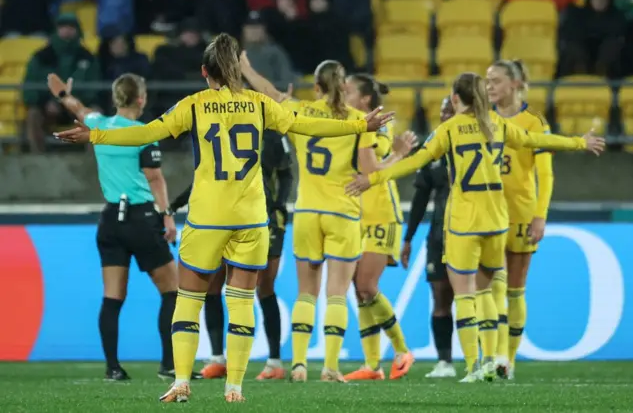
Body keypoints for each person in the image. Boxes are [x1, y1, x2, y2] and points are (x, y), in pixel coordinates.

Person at [54, 33, 392, 402]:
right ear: (236, 71)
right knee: (242, 300)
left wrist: (96, 134)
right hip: (250, 219)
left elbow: (147, 133)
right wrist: (360, 125)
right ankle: (235, 387)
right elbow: (305, 125)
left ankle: (182, 380)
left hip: (208, 218)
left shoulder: (196, 105)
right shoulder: (260, 105)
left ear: (204, 71)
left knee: (189, 299)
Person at [346, 72, 605, 382]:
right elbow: (537, 141)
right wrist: (580, 142)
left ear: (456, 99)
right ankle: (496, 358)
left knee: (466, 294)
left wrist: (372, 179)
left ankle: (472, 365)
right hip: (497, 220)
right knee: (491, 291)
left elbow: (415, 163)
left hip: (464, 221)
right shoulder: (498, 125)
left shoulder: (449, 129)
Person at [240, 56, 414, 383]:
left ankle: (299, 364)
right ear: (343, 85)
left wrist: (246, 68)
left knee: (306, 292)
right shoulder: (358, 120)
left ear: (316, 87)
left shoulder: (301, 111)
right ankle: (331, 366)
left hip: (306, 211)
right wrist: (398, 154)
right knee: (336, 292)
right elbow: (371, 172)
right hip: (343, 212)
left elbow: (270, 93)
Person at [46, 72, 180, 381]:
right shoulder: (144, 132)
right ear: (141, 99)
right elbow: (154, 178)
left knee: (113, 296)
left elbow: (79, 111)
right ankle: (169, 365)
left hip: (110, 220)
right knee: (173, 291)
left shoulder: (98, 125)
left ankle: (113, 367)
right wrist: (168, 216)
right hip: (142, 218)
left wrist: (64, 95)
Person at [171, 126, 294, 381]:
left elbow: (287, 175)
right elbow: (204, 178)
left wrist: (278, 205)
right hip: (221, 217)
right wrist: (175, 204)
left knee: (263, 287)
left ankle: (274, 361)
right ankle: (217, 358)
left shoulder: (271, 133)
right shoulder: (222, 127)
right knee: (213, 284)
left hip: (264, 219)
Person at [340, 74, 416, 381]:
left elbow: (373, 168)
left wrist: (398, 155)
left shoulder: (379, 127)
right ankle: (372, 366)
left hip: (381, 213)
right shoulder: (352, 123)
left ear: (365, 99)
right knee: (360, 291)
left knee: (366, 286)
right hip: (356, 213)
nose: (341, 95)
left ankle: (401, 349)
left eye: (347, 91)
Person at [486, 60, 554, 380]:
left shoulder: (534, 122)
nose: (489, 87)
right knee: (491, 289)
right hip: (486, 213)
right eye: (487, 81)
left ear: (514, 84)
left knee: (514, 290)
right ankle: (491, 355)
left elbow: (545, 174)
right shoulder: (481, 120)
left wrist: (540, 215)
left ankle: (507, 361)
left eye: (496, 81)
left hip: (521, 214)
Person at [401, 97, 456, 379]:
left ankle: (488, 358)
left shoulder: (478, 144)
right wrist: (408, 238)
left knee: (478, 297)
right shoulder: (433, 149)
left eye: (451, 109)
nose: (445, 115)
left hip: (471, 230)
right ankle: (445, 361)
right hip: (438, 233)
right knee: (440, 295)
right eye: (443, 110)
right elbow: (421, 196)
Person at [23, 13, 102, 152]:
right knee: (33, 114)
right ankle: (36, 161)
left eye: (71, 27)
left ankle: (92, 163)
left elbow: (95, 87)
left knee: (95, 115)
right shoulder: (41, 57)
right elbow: (29, 88)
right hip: (48, 108)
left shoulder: (88, 58)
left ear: (78, 30)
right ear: (56, 30)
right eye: (63, 27)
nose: (67, 31)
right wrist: (45, 102)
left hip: (78, 107)